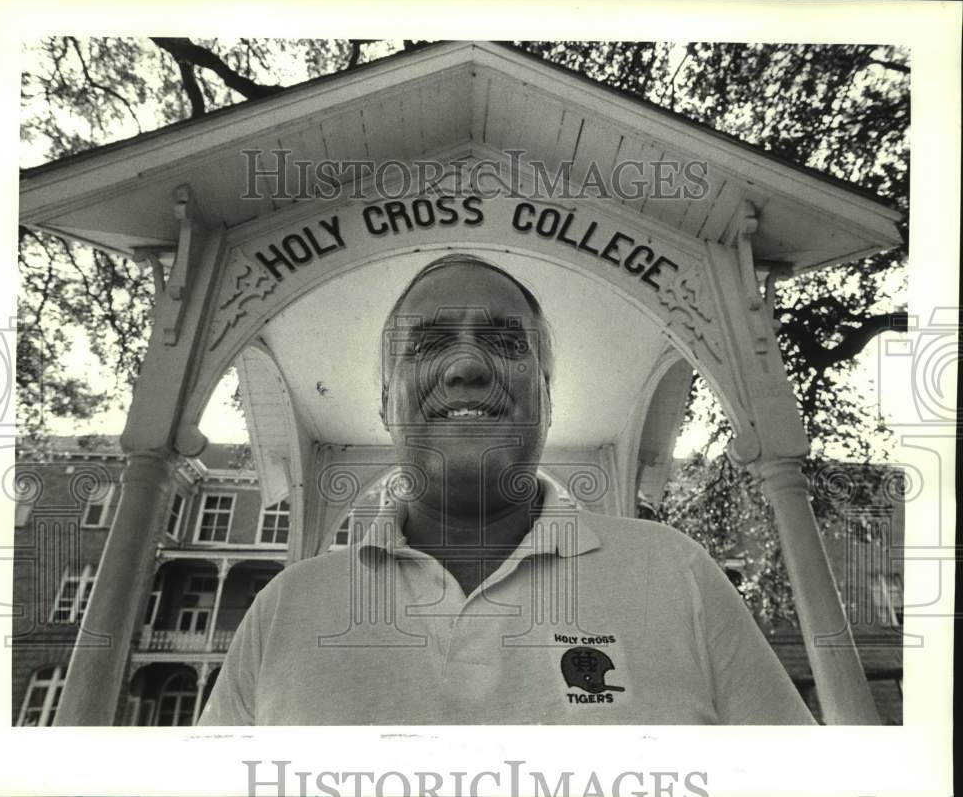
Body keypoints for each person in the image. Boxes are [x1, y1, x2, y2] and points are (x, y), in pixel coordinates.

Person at [200, 253, 815, 725]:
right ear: (387, 403)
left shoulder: (675, 574)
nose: (466, 367)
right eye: (430, 344)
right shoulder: (284, 611)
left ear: (547, 399)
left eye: (505, 343)